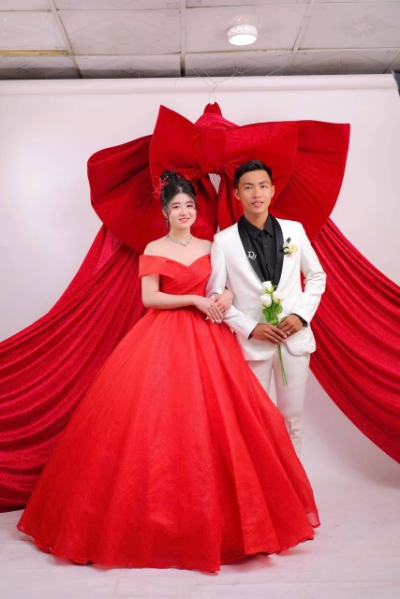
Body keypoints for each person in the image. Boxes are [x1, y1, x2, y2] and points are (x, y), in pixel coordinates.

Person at [17, 170, 319, 573]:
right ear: (165, 211)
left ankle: (243, 511)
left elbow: (224, 284)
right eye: (177, 206)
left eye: (190, 205)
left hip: (209, 337)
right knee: (158, 421)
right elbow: (150, 297)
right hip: (162, 335)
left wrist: (223, 297)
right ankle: (157, 517)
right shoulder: (154, 247)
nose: (184, 211)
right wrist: (195, 300)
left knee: (219, 422)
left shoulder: (212, 244)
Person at [207, 160, 326, 456]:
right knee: (255, 424)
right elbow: (215, 294)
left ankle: (294, 485)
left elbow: (316, 276)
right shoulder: (223, 241)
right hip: (252, 347)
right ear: (237, 194)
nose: (256, 193)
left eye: (262, 186)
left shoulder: (294, 231)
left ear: (272, 190)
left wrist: (301, 316)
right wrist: (250, 328)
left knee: (292, 422)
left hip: (294, 341)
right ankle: (261, 484)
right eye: (248, 187)